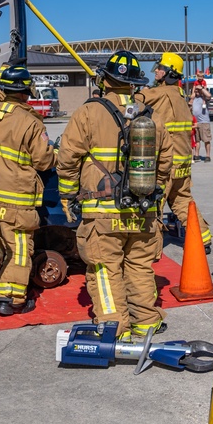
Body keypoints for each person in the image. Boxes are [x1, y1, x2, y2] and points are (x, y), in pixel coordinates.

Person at [57, 50, 172, 339]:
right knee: (140, 267)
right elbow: (166, 163)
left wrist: (68, 196)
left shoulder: (88, 111)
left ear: (105, 79)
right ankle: (146, 321)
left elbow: (67, 158)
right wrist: (155, 199)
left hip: (102, 212)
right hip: (142, 208)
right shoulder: (151, 117)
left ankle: (114, 327)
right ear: (134, 84)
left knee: (105, 271)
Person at [0, 64, 56, 315]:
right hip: (15, 201)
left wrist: (1, 74)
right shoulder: (31, 123)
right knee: (19, 250)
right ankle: (11, 300)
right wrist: (54, 152)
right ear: (27, 92)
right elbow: (43, 162)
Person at [138, 52, 213, 255]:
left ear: (170, 73)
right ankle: (203, 238)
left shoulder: (158, 94)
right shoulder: (180, 96)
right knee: (182, 201)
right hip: (183, 164)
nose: (157, 70)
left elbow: (128, 105)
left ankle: (149, 248)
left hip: (166, 164)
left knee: (154, 204)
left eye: (161, 68)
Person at [189, 85, 212, 161]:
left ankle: (207, 156)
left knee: (206, 139)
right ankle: (196, 155)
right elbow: (190, 101)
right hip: (195, 122)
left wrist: (201, 88)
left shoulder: (204, 98)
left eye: (198, 91)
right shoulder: (194, 98)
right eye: (195, 91)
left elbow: (209, 95)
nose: (196, 92)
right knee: (197, 140)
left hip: (204, 122)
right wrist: (194, 90)